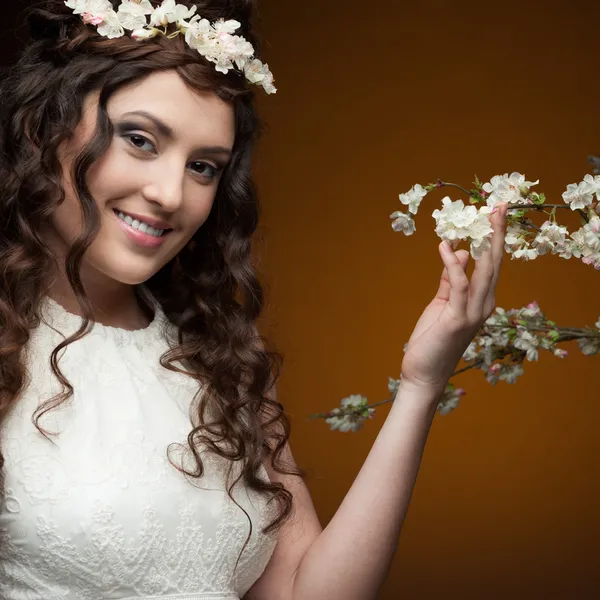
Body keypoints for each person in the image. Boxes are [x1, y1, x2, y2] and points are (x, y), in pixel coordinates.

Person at [0, 1, 508, 599]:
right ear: (44, 130)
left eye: (204, 167)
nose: (170, 193)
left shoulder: (220, 358)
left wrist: (422, 385)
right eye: (139, 140)